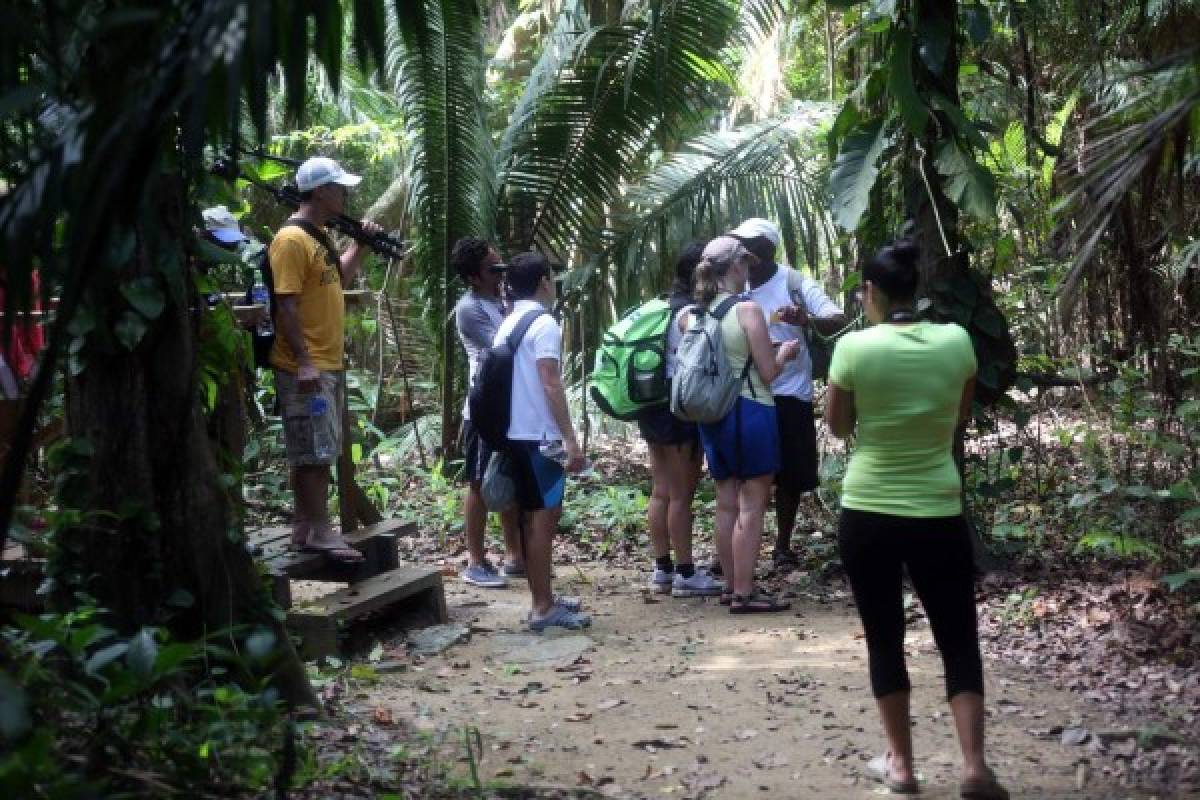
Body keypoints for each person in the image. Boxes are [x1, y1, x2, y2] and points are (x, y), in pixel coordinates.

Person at [826, 240, 1007, 799]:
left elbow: (837, 428)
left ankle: (901, 765)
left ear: (871, 293)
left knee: (885, 638)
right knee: (957, 637)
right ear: (918, 290)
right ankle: (974, 767)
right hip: (937, 507)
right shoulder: (956, 342)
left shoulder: (854, 349)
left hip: (869, 509)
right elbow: (958, 416)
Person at [269, 156, 383, 563]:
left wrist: (360, 248)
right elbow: (286, 303)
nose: (345, 195)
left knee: (316, 445)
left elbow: (338, 280)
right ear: (321, 192)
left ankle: (304, 523)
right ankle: (320, 529)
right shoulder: (291, 240)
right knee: (315, 450)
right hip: (307, 365)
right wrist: (303, 360)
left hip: (326, 362)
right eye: (339, 188)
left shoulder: (320, 236)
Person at [681, 236, 800, 613]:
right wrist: (784, 352)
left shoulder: (691, 315)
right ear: (735, 268)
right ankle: (745, 593)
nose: (749, 270)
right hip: (751, 410)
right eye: (746, 264)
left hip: (712, 415)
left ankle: (732, 586)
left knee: (726, 503)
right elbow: (767, 373)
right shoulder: (747, 312)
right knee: (752, 505)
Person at [729, 217, 846, 570]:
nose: (744, 253)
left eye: (750, 247)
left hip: (789, 393)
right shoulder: (733, 284)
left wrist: (805, 319)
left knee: (790, 477)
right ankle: (739, 547)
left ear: (767, 250)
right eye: (740, 246)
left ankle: (782, 545)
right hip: (746, 393)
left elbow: (838, 319)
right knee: (745, 475)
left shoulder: (793, 283)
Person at [493, 252, 590, 631]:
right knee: (541, 522)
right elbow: (550, 379)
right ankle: (542, 608)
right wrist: (570, 439)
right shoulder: (544, 322)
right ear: (544, 282)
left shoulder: (510, 321)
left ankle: (543, 596)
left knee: (532, 518)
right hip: (540, 438)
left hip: (516, 434)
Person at [641, 242, 721, 597]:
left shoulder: (662, 303)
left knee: (661, 491)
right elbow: (699, 342)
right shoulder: (687, 311)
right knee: (680, 495)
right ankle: (686, 574)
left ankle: (663, 568)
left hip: (653, 407)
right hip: (677, 411)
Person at [452, 236, 524, 587]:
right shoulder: (470, 309)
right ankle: (476, 561)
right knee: (479, 483)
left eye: (501, 267)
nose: (500, 274)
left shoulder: (503, 300)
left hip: (512, 406)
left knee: (509, 478)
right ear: (473, 277)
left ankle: (515, 555)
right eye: (492, 270)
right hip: (484, 408)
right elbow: (505, 347)